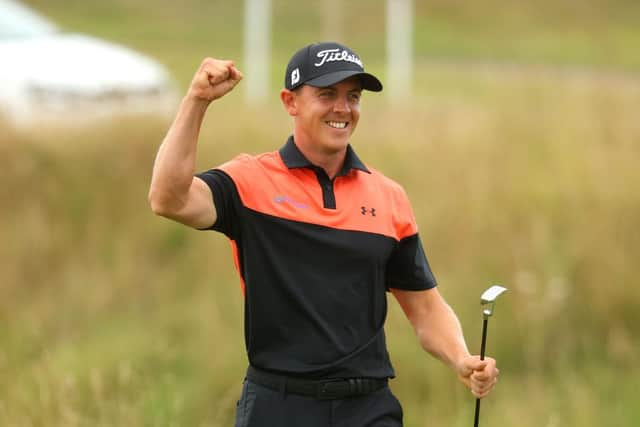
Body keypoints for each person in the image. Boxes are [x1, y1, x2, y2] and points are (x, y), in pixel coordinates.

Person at [149, 42, 499, 427]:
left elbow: (426, 309)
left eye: (353, 96)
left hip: (368, 408)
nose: (342, 108)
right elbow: (169, 198)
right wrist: (197, 100)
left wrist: (461, 358)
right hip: (279, 405)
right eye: (327, 94)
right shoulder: (250, 181)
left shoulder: (388, 197)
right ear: (291, 102)